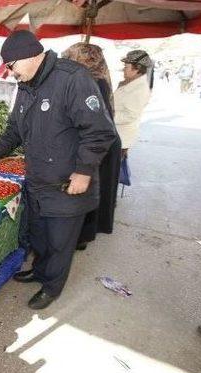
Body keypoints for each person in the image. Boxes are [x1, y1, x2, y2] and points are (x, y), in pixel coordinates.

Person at [0, 30, 116, 310]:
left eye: (11, 66)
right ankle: (39, 270)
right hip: (37, 178)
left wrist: (84, 171)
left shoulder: (72, 79)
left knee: (61, 241)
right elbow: (14, 130)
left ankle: (52, 287)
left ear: (29, 57)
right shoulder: (26, 86)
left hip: (66, 181)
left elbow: (100, 131)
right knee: (40, 233)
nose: (11, 73)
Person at [62, 43, 122, 249]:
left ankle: (82, 236)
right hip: (103, 142)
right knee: (95, 189)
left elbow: (92, 123)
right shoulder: (97, 79)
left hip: (99, 145)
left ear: (84, 59)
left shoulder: (93, 83)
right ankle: (84, 234)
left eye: (72, 57)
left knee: (90, 190)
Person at [114, 50, 152, 159]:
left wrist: (108, 115)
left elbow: (130, 115)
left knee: (113, 173)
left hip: (121, 138)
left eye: (126, 66)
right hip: (116, 135)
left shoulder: (139, 90)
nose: (123, 69)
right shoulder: (129, 83)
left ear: (136, 69)